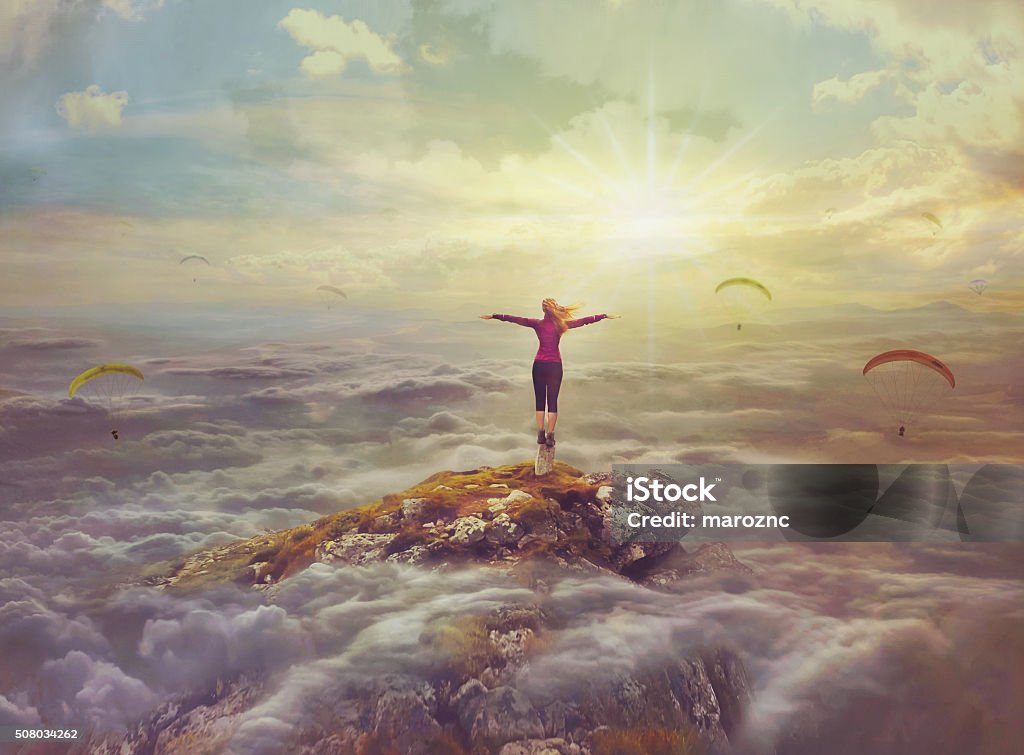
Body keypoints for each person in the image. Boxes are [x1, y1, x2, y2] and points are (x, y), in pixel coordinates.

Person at [481, 299, 618, 447]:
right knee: (552, 402)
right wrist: (603, 315)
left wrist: (495, 315)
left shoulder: (537, 324)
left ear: (543, 310)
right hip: (555, 366)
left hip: (539, 365)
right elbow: (584, 321)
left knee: (540, 401)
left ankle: (541, 433)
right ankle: (550, 436)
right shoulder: (561, 325)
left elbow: (515, 319)